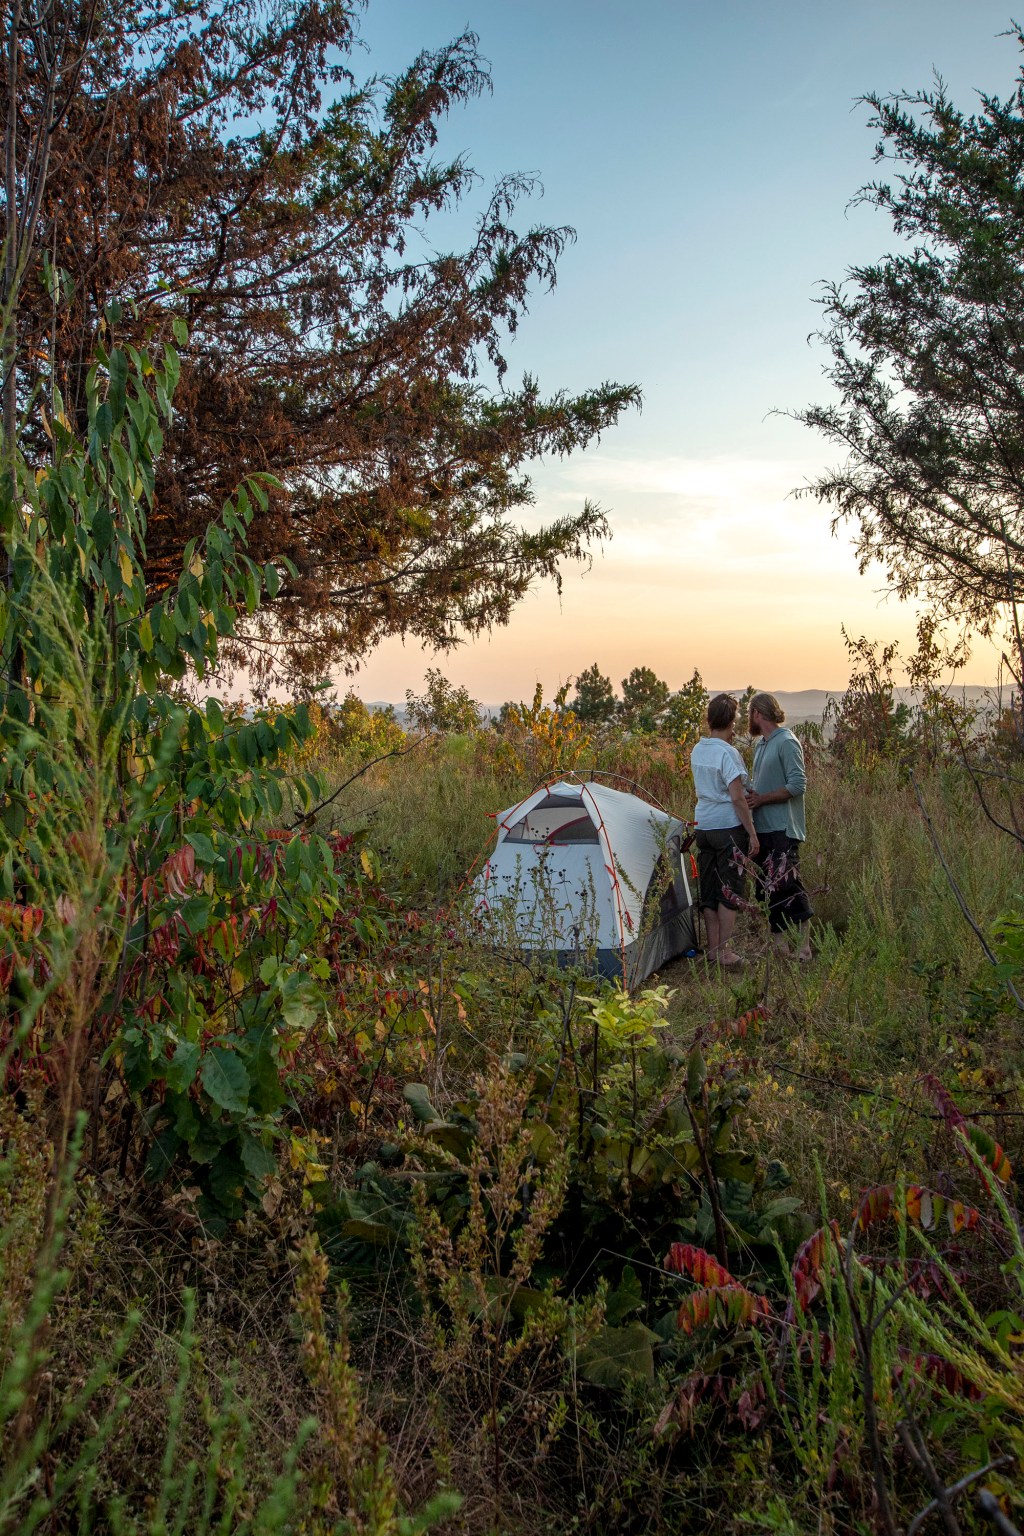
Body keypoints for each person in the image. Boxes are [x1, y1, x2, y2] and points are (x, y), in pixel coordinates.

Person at [689, 693, 759, 967]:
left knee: (709, 888)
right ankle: (725, 951)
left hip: (703, 825)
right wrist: (751, 832)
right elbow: (737, 797)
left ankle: (712, 949)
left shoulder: (698, 749)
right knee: (729, 889)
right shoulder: (729, 754)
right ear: (732, 722)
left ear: (709, 720)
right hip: (728, 826)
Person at [746, 691, 813, 961]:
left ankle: (804, 948)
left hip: (783, 828)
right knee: (768, 889)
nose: (748, 718)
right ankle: (780, 948)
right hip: (763, 829)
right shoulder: (762, 745)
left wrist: (762, 798)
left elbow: (798, 785)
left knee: (789, 886)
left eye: (750, 713)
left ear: (758, 714)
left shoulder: (787, 742)